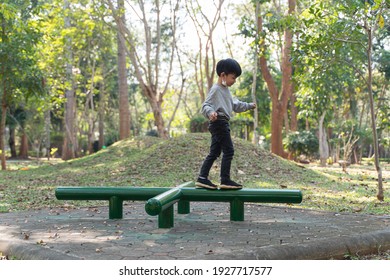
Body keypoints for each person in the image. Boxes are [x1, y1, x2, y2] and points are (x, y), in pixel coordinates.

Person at [196, 58, 256, 190]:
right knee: (228, 151)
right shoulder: (216, 89)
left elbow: (235, 105)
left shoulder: (226, 91)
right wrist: (211, 112)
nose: (234, 81)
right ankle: (225, 179)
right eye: (233, 77)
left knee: (214, 152)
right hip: (219, 123)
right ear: (223, 75)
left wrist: (249, 106)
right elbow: (205, 105)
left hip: (221, 123)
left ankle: (202, 178)